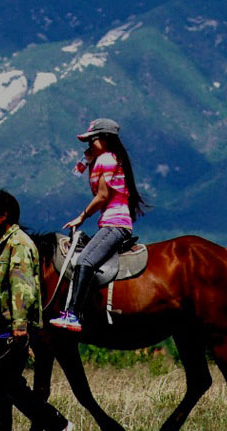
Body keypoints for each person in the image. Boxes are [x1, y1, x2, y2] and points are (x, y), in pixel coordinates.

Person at [0, 190, 74, 431]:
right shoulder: (3, 244)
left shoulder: (19, 245)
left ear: (4, 215)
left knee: (10, 385)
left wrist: (20, 326)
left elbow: (21, 288)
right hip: (2, 328)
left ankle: (58, 425)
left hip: (14, 329)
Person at [49, 118, 147, 332]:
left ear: (104, 139)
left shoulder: (108, 160)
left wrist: (81, 217)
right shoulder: (106, 159)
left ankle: (74, 314)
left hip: (115, 224)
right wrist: (86, 160)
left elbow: (102, 196)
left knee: (85, 261)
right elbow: (75, 174)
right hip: (109, 222)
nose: (88, 144)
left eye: (91, 139)